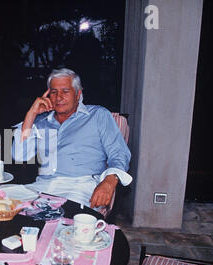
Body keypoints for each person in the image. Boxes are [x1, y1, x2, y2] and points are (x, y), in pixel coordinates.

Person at [12, 68, 132, 212]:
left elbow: (119, 153)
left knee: (62, 226)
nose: (58, 97)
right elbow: (19, 156)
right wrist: (30, 115)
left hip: (80, 189)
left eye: (65, 91)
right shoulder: (40, 122)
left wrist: (110, 180)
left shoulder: (98, 115)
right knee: (2, 205)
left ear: (78, 94)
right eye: (54, 92)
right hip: (42, 187)